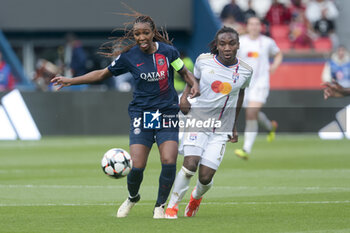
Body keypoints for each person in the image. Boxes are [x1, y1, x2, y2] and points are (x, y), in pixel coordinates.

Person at [51, 15, 200, 219]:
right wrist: (71, 81)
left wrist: (194, 85)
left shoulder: (168, 52)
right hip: (142, 114)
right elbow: (102, 74)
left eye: (145, 33)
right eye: (137, 34)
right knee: (137, 166)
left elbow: (184, 72)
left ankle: (160, 206)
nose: (141, 37)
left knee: (168, 160)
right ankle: (132, 197)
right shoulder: (129, 57)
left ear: (153, 32)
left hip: (167, 112)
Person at [164, 26, 252, 219]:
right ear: (217, 46)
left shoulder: (246, 71)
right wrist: (185, 98)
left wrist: (234, 124)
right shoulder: (203, 61)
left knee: (205, 177)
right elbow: (192, 79)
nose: (227, 48)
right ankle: (172, 206)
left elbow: (240, 95)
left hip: (220, 128)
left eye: (231, 43)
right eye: (223, 44)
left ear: (238, 45)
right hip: (198, 120)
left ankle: (196, 198)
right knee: (189, 165)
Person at [234, 16, 283, 160]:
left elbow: (279, 53)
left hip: (261, 83)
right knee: (253, 114)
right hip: (244, 85)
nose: (254, 27)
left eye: (257, 24)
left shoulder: (267, 42)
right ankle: (270, 126)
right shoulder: (240, 42)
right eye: (251, 24)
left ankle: (246, 149)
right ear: (247, 26)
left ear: (261, 27)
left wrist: (274, 65)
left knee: (251, 112)